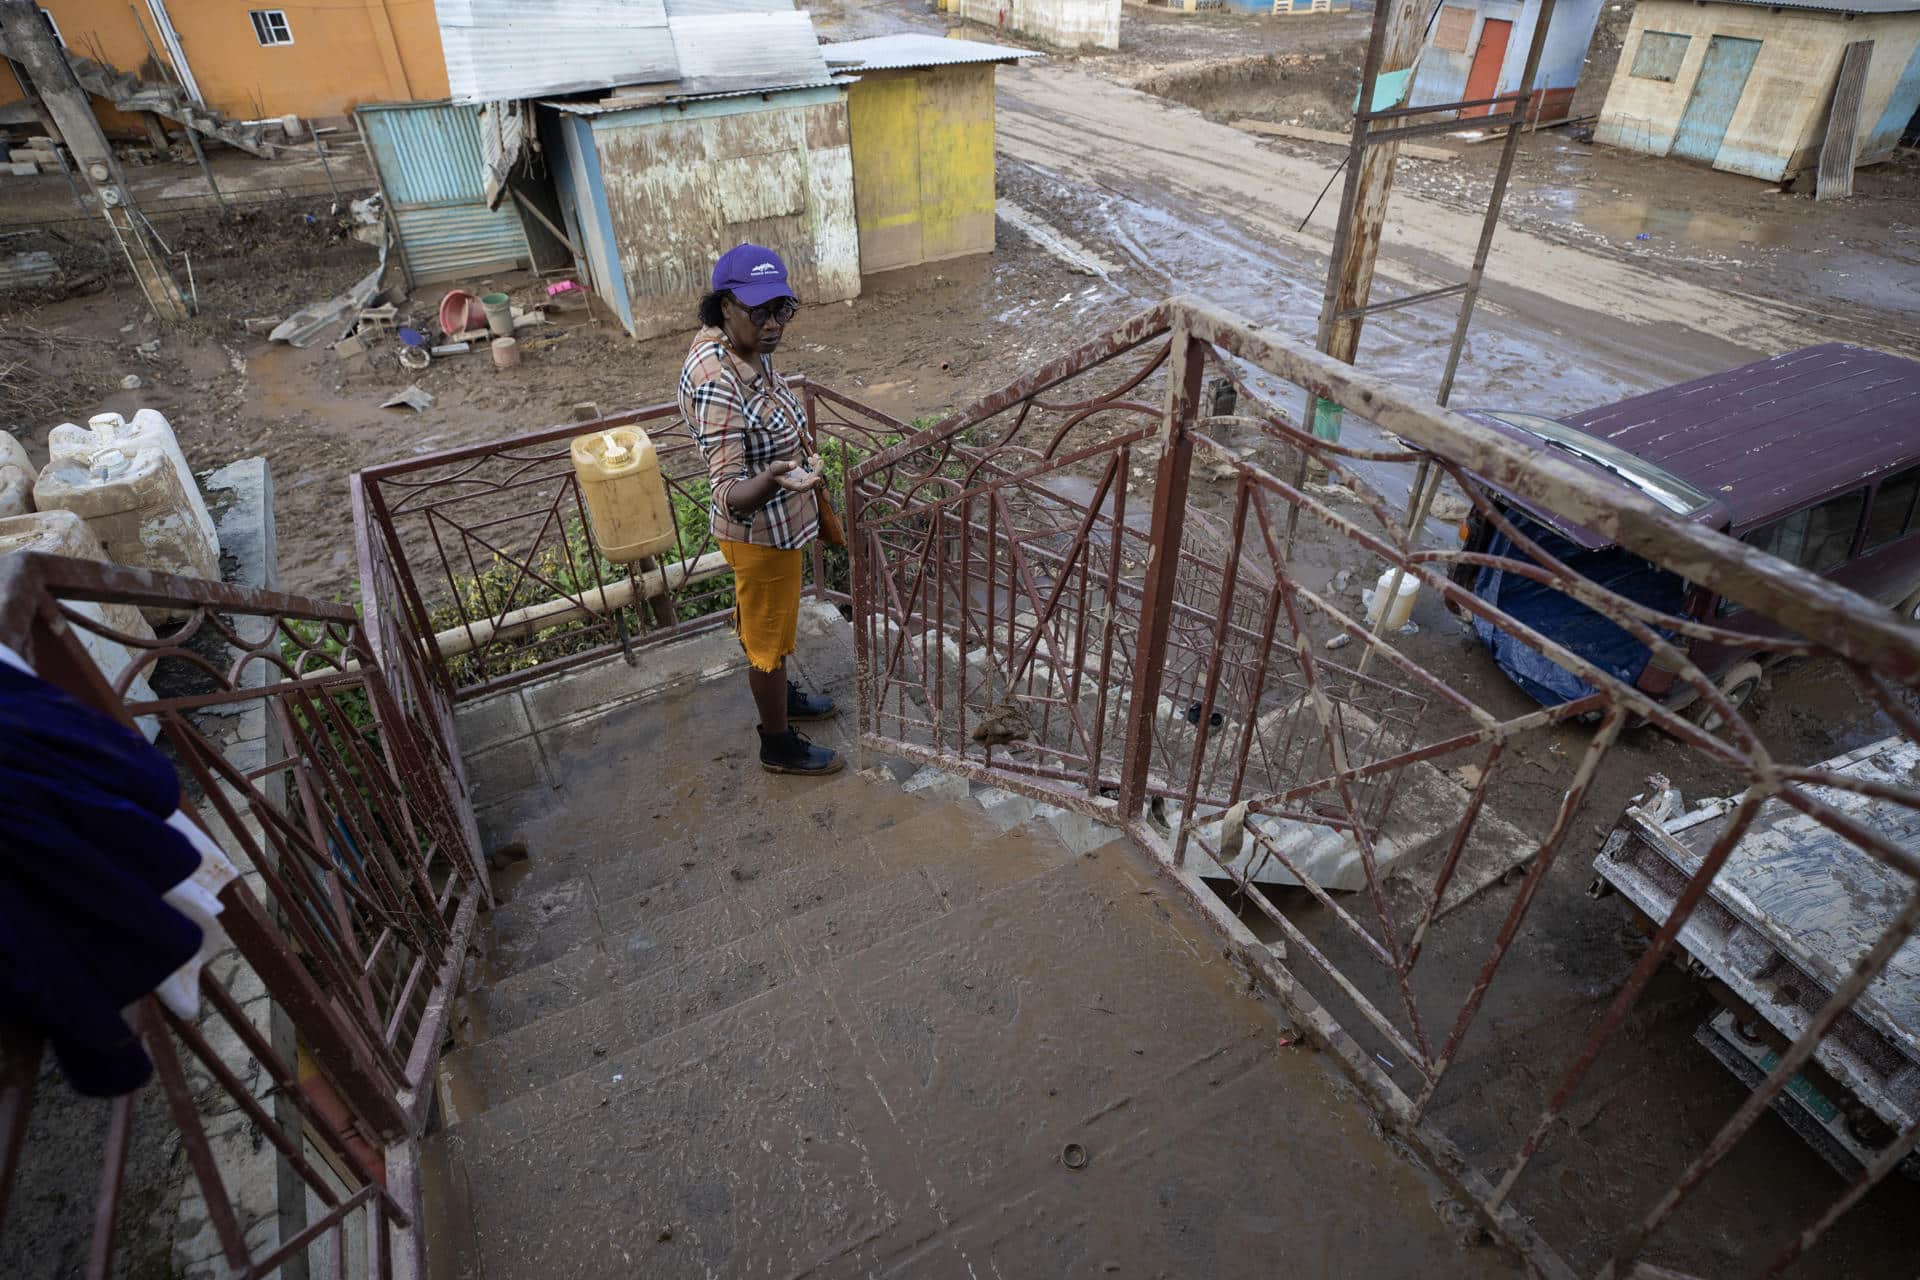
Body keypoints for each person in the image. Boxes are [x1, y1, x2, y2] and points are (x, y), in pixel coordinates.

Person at [680, 244, 843, 776]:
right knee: (765, 642)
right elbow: (728, 491)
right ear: (724, 305)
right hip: (761, 534)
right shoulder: (717, 381)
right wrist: (775, 479)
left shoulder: (743, 346)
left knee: (768, 625)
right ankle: (777, 743)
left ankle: (781, 695)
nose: (773, 324)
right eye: (759, 311)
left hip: (782, 526)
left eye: (782, 310)